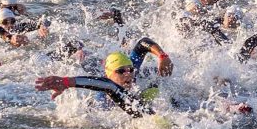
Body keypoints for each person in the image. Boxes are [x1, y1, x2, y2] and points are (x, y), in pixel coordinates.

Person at [33, 45, 171, 117]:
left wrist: (162, 56)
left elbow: (142, 44)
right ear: (108, 74)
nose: (128, 74)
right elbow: (108, 86)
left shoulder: (135, 75)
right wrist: (67, 82)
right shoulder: (101, 101)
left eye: (130, 69)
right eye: (121, 71)